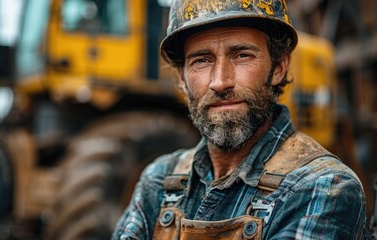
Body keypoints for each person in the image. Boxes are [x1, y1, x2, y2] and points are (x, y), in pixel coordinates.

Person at [112, 0, 368, 239]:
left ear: (279, 67)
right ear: (181, 78)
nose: (220, 82)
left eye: (242, 55)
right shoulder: (158, 180)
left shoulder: (322, 187)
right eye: (201, 60)